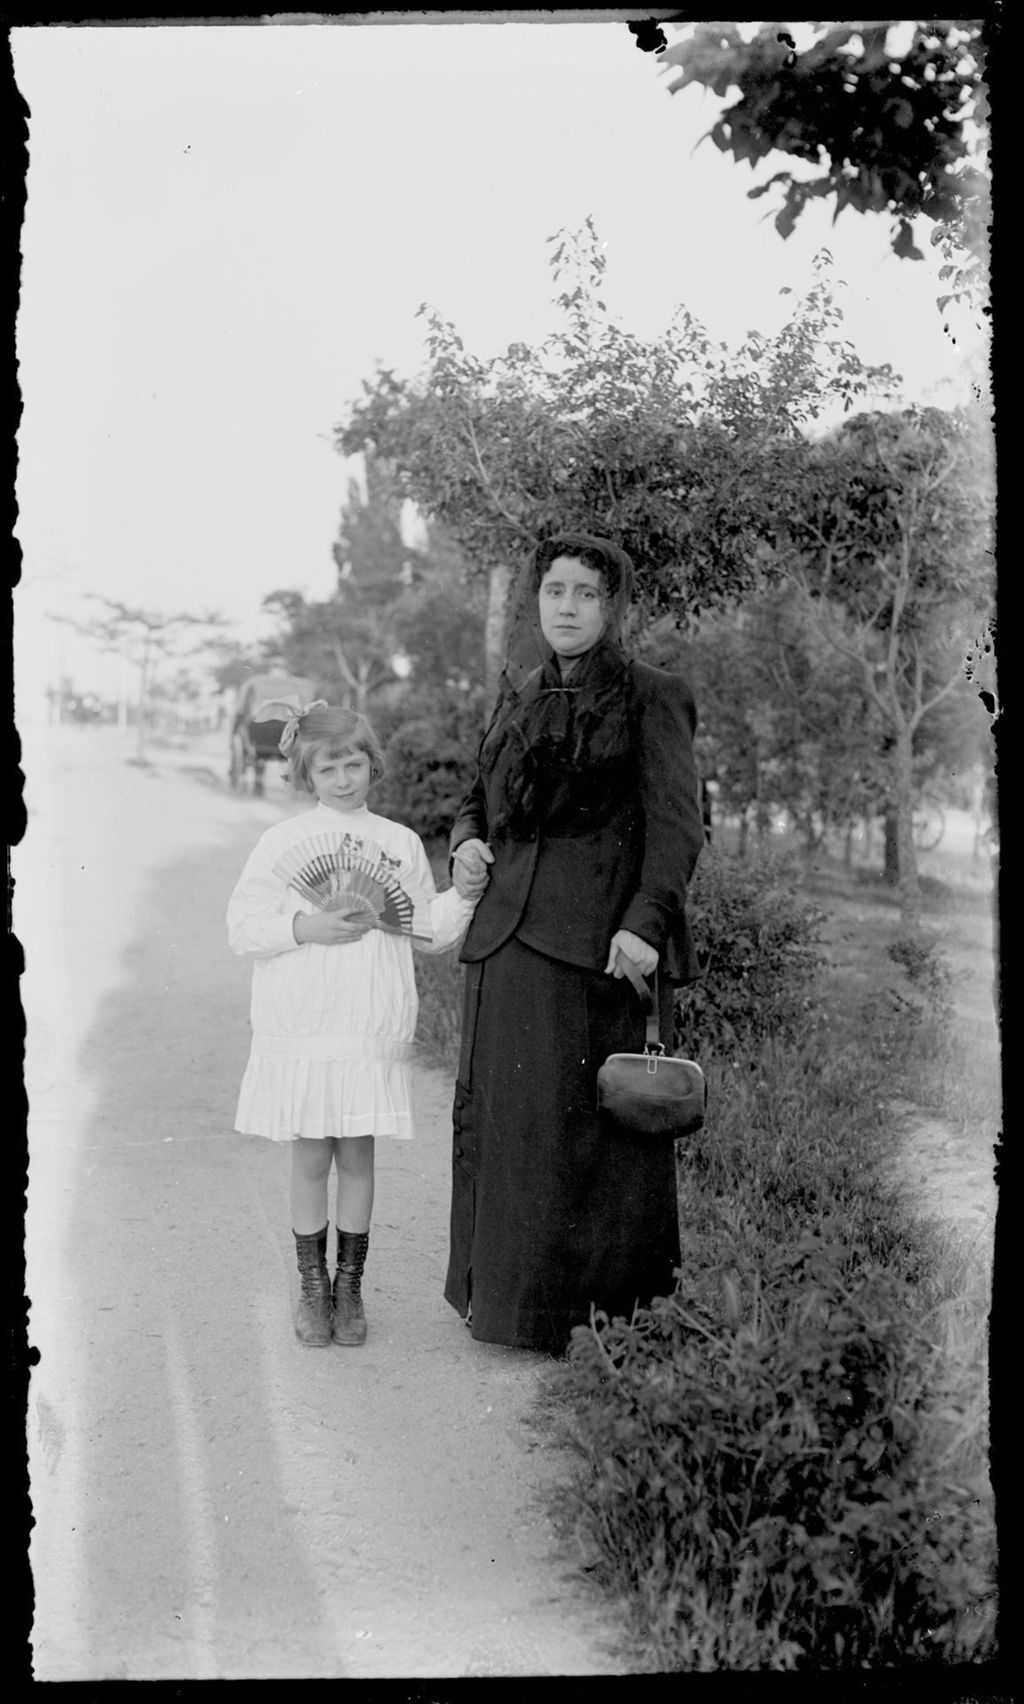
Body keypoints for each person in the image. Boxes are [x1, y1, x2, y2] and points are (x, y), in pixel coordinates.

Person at [445, 533, 704, 1354]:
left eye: (585, 593)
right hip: (506, 942)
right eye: (554, 590)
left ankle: (598, 1322)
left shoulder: (651, 694)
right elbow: (474, 796)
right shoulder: (517, 690)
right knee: (511, 1127)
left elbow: (676, 826)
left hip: (597, 946)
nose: (566, 606)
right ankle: (509, 1307)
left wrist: (645, 924)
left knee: (585, 1137)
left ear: (612, 605)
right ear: (536, 600)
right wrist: (464, 843)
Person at [227, 701, 477, 1348]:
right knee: (311, 1154)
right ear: (306, 775)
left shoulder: (396, 844)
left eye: (354, 763)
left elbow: (427, 928)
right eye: (328, 767)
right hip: (305, 1023)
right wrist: (304, 926)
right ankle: (311, 1286)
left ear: (373, 765)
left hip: (367, 1023)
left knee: (358, 1155)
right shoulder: (281, 845)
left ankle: (349, 1286)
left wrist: (467, 894)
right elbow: (243, 928)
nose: (343, 779)